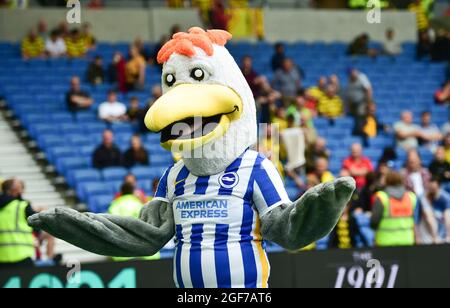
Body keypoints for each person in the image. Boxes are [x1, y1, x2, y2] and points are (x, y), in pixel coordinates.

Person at [109, 183, 160, 261]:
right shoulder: (140, 205)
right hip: (143, 251)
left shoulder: (114, 206)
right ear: (133, 192)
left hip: (121, 252)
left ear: (121, 192)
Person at [371, 171, 419, 247]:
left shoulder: (382, 197)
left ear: (387, 181)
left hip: (385, 242)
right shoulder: (411, 197)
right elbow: (415, 220)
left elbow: (374, 222)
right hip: (407, 241)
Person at [0, 179, 37, 267]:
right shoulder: (22, 206)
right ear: (14, 190)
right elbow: (38, 225)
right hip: (22, 256)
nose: (23, 190)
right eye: (21, 187)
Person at [419, 177, 450, 244]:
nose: (432, 192)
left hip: (442, 235)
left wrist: (448, 235)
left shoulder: (445, 198)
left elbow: (448, 217)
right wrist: (435, 236)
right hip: (427, 236)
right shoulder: (423, 198)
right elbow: (429, 218)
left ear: (439, 187)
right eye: (430, 189)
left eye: (434, 189)